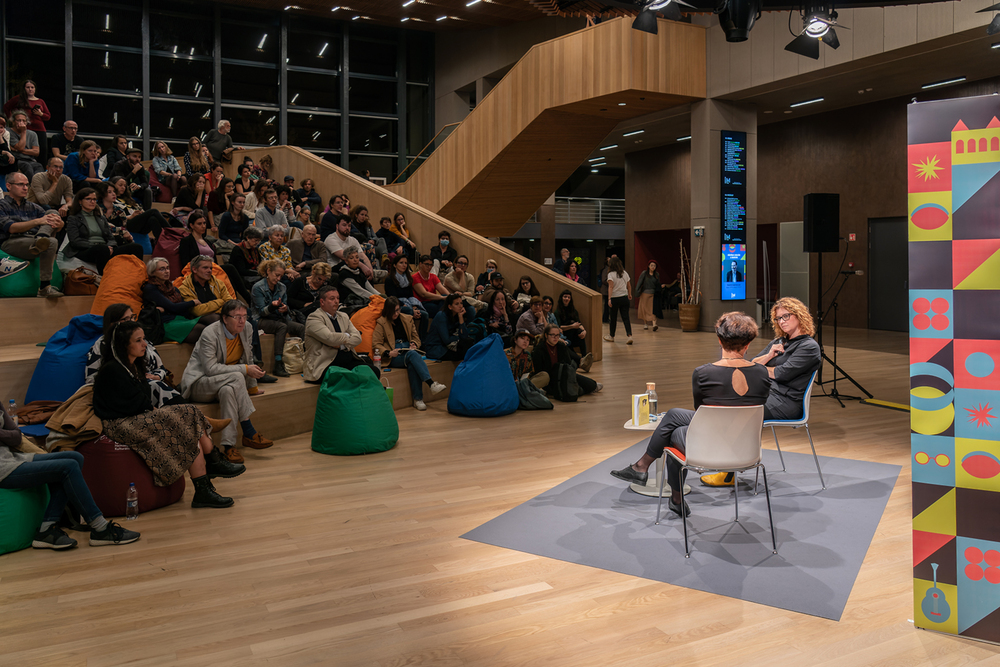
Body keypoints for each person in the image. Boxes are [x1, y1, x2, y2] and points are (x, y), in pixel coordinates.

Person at [609, 311, 770, 516]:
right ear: (748, 344)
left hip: (711, 448)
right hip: (747, 448)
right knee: (675, 415)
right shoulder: (762, 373)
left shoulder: (703, 373)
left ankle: (666, 489)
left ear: (719, 340)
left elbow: (700, 411)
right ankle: (642, 468)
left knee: (675, 434)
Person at [93, 320, 244, 508]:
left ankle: (204, 486)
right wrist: (156, 412)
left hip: (137, 416)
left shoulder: (134, 366)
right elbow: (132, 404)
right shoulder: (113, 369)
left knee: (189, 422)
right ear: (124, 345)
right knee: (187, 414)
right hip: (121, 424)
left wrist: (154, 411)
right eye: (138, 340)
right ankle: (212, 459)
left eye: (144, 339)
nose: (144, 344)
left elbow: (141, 401)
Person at [0, 402, 140, 550]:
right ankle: (100, 527)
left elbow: (16, 436)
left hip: (13, 458)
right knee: (68, 467)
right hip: (3, 469)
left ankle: (46, 530)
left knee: (75, 457)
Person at [179, 300, 274, 463]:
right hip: (200, 383)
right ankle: (248, 430)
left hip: (225, 383)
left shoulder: (247, 329)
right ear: (224, 318)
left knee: (228, 391)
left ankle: (229, 447)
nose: (242, 321)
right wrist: (244, 370)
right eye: (237, 317)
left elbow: (248, 358)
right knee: (237, 376)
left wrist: (251, 388)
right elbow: (210, 369)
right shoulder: (210, 333)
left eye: (245, 316)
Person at [84, 302, 184, 406]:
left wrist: (157, 376)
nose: (131, 321)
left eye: (132, 317)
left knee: (157, 386)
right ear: (113, 324)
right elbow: (92, 379)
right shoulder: (102, 345)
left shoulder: (144, 341)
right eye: (126, 319)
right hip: (122, 392)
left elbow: (161, 368)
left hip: (149, 384)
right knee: (156, 388)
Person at [753, 296, 822, 422]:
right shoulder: (779, 341)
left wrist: (757, 368)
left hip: (786, 402)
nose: (781, 321)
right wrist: (769, 355)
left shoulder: (809, 347)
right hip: (767, 392)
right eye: (778, 318)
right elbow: (752, 363)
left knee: (740, 410)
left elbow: (781, 374)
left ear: (799, 316)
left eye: (786, 316)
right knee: (727, 401)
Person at [372, 296, 447, 410]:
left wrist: (414, 344)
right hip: (394, 355)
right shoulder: (381, 322)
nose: (396, 314)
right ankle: (431, 384)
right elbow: (376, 344)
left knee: (412, 361)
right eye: (393, 311)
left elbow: (416, 338)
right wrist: (388, 353)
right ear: (388, 311)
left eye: (398, 310)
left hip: (408, 350)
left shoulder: (407, 319)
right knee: (413, 356)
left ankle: (418, 399)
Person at [0, 172, 64, 297]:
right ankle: (44, 287)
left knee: (53, 212)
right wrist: (38, 221)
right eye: (20, 184)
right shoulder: (1, 205)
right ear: (8, 186)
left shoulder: (34, 207)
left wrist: (59, 224)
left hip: (33, 238)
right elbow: (11, 228)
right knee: (51, 241)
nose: (25, 188)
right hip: (11, 241)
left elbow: (53, 224)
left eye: (26, 185)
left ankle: (41, 238)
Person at [304, 285, 380, 383]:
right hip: (325, 365)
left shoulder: (343, 316)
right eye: (332, 299)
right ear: (322, 302)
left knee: (374, 372)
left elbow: (358, 338)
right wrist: (348, 336)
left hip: (347, 362)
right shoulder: (314, 318)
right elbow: (330, 338)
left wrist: (341, 345)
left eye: (338, 298)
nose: (336, 301)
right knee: (346, 377)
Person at [64, 187, 144, 275]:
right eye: (88, 199)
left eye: (94, 199)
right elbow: (75, 241)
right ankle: (105, 278)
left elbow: (110, 237)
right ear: (80, 201)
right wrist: (100, 246)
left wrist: (110, 246)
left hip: (105, 248)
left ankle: (137, 277)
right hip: (86, 250)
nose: (92, 202)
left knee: (137, 247)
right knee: (101, 249)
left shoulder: (101, 218)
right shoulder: (74, 218)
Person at [251, 259, 306, 377]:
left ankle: (306, 359)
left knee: (301, 327)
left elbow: (285, 307)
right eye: (277, 275)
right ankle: (278, 363)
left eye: (281, 276)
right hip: (260, 320)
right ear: (268, 271)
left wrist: (285, 309)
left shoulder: (282, 287)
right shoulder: (257, 287)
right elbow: (262, 312)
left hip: (277, 317)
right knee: (282, 327)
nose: (279, 279)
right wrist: (272, 306)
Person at [143, 257, 213, 344]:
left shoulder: (172, 288)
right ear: (152, 272)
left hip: (180, 319)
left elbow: (181, 309)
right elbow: (173, 307)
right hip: (165, 324)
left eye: (167, 268)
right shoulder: (151, 288)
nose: (167, 271)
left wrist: (168, 310)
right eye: (162, 269)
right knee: (203, 329)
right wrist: (193, 302)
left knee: (214, 319)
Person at [531, 323, 602, 400]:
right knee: (571, 390)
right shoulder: (539, 349)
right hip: (549, 379)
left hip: (563, 374)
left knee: (591, 385)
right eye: (552, 335)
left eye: (558, 335)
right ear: (546, 335)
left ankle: (583, 387)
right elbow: (539, 371)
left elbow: (568, 363)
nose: (555, 337)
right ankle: (579, 389)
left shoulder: (560, 346)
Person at [108, 175, 174, 254]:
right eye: (120, 185)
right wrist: (131, 217)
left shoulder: (129, 199)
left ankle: (163, 244)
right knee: (154, 211)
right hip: (127, 224)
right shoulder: (112, 200)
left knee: (152, 219)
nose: (123, 187)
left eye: (125, 186)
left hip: (138, 223)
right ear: (113, 186)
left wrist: (141, 213)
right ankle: (172, 232)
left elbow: (139, 209)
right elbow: (114, 218)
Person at [178, 254, 234, 319]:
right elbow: (197, 311)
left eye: (211, 268)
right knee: (216, 318)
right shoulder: (184, 288)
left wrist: (217, 311)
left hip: (221, 315)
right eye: (205, 268)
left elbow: (229, 303)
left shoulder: (218, 283)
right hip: (199, 320)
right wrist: (220, 301)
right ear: (194, 269)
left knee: (245, 311)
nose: (209, 270)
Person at [423, 293, 474, 361]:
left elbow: (464, 336)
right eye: (457, 304)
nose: (460, 306)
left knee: (469, 343)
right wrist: (458, 337)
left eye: (461, 303)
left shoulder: (457, 316)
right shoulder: (441, 316)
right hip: (436, 349)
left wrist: (460, 317)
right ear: (450, 306)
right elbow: (446, 340)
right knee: (464, 353)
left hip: (448, 346)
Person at [604, 255, 633, 344]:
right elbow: (629, 285)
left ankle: (612, 336)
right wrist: (630, 294)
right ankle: (629, 336)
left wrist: (609, 299)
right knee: (626, 318)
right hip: (624, 297)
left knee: (613, 318)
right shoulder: (625, 273)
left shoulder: (610, 274)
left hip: (615, 298)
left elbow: (611, 287)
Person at [227, 226, 264, 292]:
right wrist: (259, 273)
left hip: (253, 275)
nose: (257, 243)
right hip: (241, 277)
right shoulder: (238, 249)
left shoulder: (255, 249)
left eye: (259, 240)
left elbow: (260, 264)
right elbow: (241, 270)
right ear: (247, 238)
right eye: (255, 240)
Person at [8, 110, 43, 177]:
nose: (22, 123)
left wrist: (17, 150)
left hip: (30, 160)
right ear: (13, 122)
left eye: (24, 121)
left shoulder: (32, 134)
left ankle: (38, 186)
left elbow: (36, 152)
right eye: (19, 120)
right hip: (17, 160)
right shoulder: (8, 132)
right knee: (27, 167)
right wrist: (23, 132)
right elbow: (20, 147)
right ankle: (33, 186)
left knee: (39, 167)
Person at [555, 289, 588, 357]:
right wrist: (572, 326)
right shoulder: (557, 312)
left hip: (574, 336)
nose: (567, 299)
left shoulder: (573, 311)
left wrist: (584, 331)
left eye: (568, 297)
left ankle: (584, 356)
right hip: (564, 335)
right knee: (574, 328)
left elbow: (579, 324)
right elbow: (559, 327)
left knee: (580, 331)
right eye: (565, 297)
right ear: (561, 298)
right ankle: (580, 357)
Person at [635, 260, 660, 331]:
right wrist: (636, 292)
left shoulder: (656, 275)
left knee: (653, 309)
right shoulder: (644, 273)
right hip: (645, 294)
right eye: (651, 265)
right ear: (648, 266)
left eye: (654, 266)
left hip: (653, 294)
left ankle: (654, 324)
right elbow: (639, 282)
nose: (653, 267)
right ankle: (645, 323)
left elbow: (658, 284)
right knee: (645, 309)